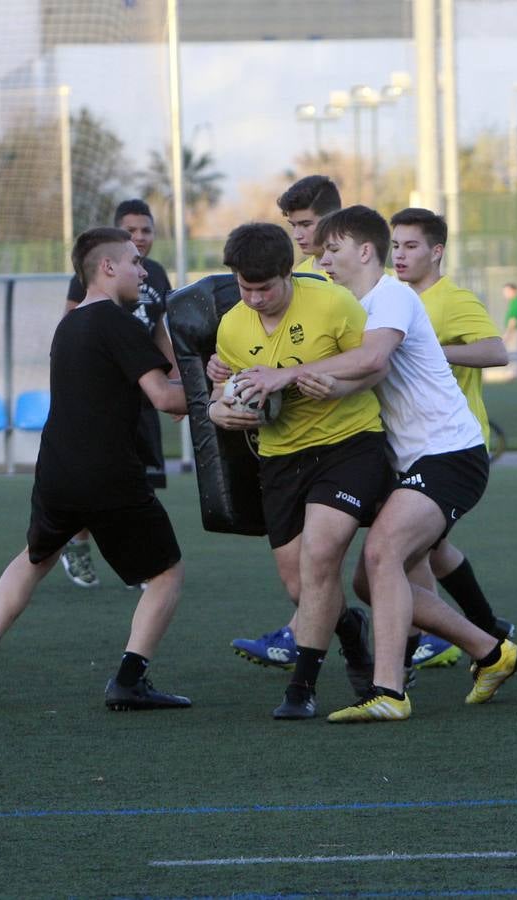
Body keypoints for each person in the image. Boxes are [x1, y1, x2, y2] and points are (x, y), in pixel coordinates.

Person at [237, 207, 517, 721]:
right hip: (417, 460)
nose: (322, 258)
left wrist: (289, 376)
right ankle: (491, 649)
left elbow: (372, 359)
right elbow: (364, 377)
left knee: (382, 552)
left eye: (332, 249)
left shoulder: (391, 295)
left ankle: (388, 692)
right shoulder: (348, 305)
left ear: (365, 252)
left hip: (450, 452)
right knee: (374, 582)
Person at [0, 227, 191, 710]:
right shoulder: (118, 323)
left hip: (55, 468)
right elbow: (165, 397)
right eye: (135, 262)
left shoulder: (69, 325)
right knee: (167, 573)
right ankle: (128, 680)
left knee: (35, 558)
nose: (144, 271)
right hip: (107, 474)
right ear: (108, 267)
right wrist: (224, 391)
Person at [209, 222, 386, 719]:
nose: (255, 298)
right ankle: (351, 632)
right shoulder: (232, 325)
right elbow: (222, 392)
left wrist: (335, 386)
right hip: (280, 457)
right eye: (245, 288)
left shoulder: (332, 303)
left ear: (289, 274)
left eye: (265, 288)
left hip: (348, 445)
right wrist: (217, 411)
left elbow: (376, 365)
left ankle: (301, 688)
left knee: (321, 556)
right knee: (300, 586)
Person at [387, 208, 515, 669]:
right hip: (413, 446)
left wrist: (430, 350)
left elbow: (496, 351)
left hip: (454, 445)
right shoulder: (391, 298)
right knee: (428, 549)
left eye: (411, 246)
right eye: (395, 246)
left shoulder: (453, 299)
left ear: (436, 251)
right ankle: (486, 629)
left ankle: (402, 659)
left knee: (398, 555)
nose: (399, 255)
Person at [59, 199, 177, 589]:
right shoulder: (96, 282)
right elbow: (73, 323)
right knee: (101, 478)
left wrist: (175, 380)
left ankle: (142, 558)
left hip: (145, 385)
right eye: (133, 231)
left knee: (137, 476)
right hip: (111, 390)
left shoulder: (156, 275)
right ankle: (77, 545)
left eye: (147, 230)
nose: (141, 238)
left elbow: (161, 330)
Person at [277, 175, 343, 277]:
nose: (297, 235)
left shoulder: (357, 271)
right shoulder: (299, 275)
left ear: (333, 219)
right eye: (293, 225)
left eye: (306, 225)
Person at [501, 283, 517, 381]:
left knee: (514, 353)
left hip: (514, 331)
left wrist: (507, 334)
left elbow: (513, 319)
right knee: (515, 352)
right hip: (514, 331)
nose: (505, 294)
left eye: (507, 291)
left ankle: (514, 374)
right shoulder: (516, 301)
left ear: (513, 290)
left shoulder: (516, 301)